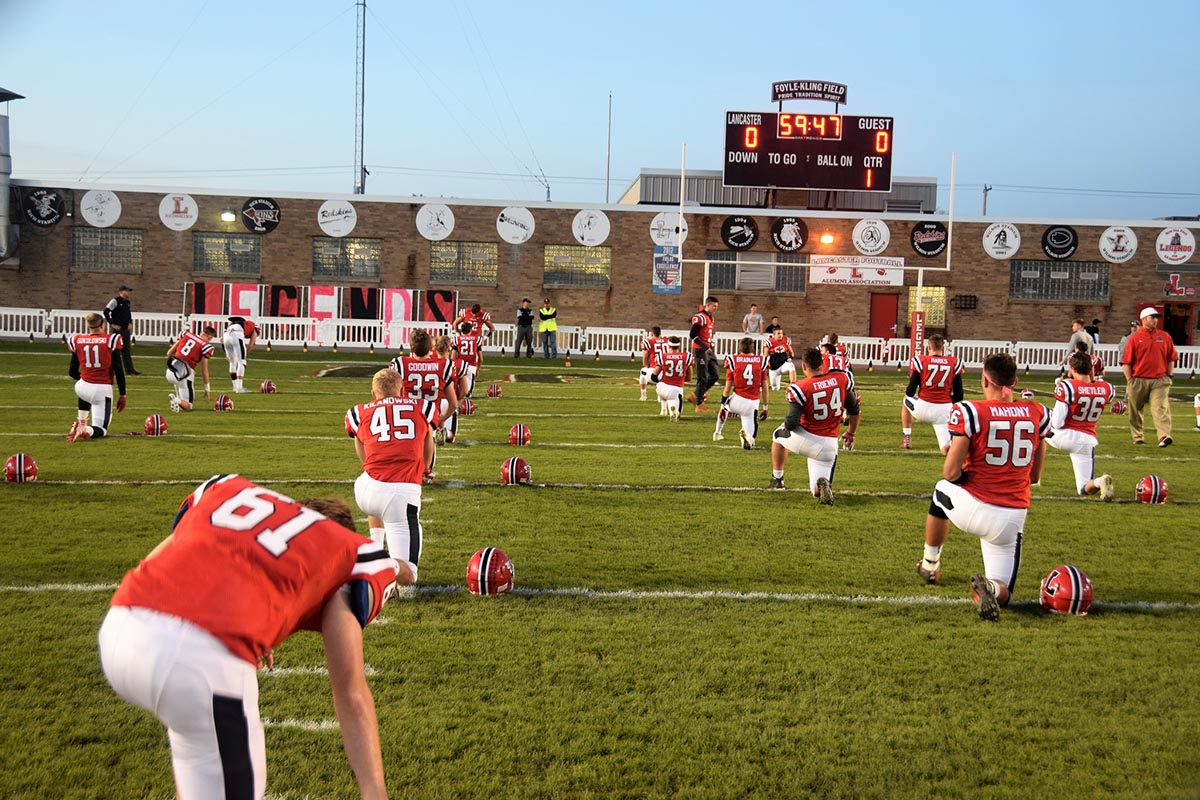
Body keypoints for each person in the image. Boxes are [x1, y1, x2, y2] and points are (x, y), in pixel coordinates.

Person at [99, 474, 398, 800]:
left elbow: (167, 555)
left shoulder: (229, 488)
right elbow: (351, 690)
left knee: (199, 765)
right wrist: (375, 790)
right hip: (202, 664)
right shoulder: (353, 553)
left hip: (121, 625)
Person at [915, 352, 1050, 622]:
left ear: (985, 379)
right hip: (1011, 519)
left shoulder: (971, 410)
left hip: (974, 508)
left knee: (941, 490)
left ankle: (930, 564)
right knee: (1005, 592)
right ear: (1014, 380)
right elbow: (1034, 476)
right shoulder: (1038, 412)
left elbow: (951, 472)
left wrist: (960, 461)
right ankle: (988, 588)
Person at [346, 368, 437, 576]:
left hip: (365, 490)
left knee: (374, 481)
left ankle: (375, 547)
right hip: (399, 497)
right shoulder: (423, 407)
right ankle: (382, 567)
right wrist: (425, 468)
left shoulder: (358, 412)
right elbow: (428, 440)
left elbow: (359, 442)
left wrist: (370, 466)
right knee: (409, 574)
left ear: (373, 394)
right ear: (402, 391)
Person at [770, 347, 860, 504]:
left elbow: (791, 423)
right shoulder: (841, 378)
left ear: (804, 366)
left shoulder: (800, 388)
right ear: (823, 363)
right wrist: (851, 433)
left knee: (777, 435)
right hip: (830, 446)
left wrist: (788, 421)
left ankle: (777, 478)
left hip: (808, 440)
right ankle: (821, 486)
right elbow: (854, 410)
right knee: (815, 491)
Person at [1047, 351, 1115, 500]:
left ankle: (1033, 477)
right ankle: (1099, 481)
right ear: (1091, 369)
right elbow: (1095, 388)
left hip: (1063, 436)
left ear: (1072, 369)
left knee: (1039, 421)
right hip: (1087, 441)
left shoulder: (1067, 386)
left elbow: (1057, 422)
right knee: (1083, 489)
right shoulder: (1106, 388)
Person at [390, 328, 458, 448]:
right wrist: (442, 419)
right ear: (431, 349)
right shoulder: (443, 366)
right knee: (427, 465)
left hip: (406, 421)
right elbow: (453, 404)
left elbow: (390, 398)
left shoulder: (400, 364)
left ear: (411, 348)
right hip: (429, 421)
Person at [1121, 305, 1177, 447]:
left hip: (1160, 379)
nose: (1155, 320)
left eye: (1156, 318)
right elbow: (1126, 361)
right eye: (1153, 317)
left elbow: (1171, 358)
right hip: (1138, 379)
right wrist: (1130, 380)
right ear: (1144, 319)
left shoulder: (1165, 337)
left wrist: (1169, 376)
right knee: (1135, 410)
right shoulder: (1134, 339)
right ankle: (1137, 436)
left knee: (1160, 408)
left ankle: (1163, 436)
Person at [66, 312, 127, 441]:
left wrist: (86, 379)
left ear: (88, 326)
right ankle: (83, 428)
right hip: (101, 389)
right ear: (103, 325)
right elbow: (118, 369)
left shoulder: (76, 340)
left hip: (81, 387)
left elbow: (72, 371)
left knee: (85, 391)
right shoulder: (111, 339)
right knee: (101, 430)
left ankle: (82, 421)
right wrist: (123, 394)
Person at [900, 333, 964, 451]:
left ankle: (907, 437)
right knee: (945, 449)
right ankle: (954, 443)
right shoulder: (954, 362)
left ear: (929, 347)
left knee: (906, 401)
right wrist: (947, 401)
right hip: (944, 412)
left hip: (923, 409)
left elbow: (910, 391)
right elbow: (959, 395)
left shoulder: (921, 360)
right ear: (943, 348)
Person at [712, 337, 769, 450]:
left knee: (724, 408)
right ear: (753, 348)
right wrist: (765, 407)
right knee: (751, 438)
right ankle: (747, 437)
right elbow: (765, 387)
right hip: (752, 404)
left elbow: (727, 387)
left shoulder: (733, 360)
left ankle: (717, 433)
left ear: (739, 348)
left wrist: (723, 404)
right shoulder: (762, 361)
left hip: (736, 401)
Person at [165, 326, 216, 412]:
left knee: (182, 399)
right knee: (189, 405)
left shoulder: (185, 334)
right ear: (210, 337)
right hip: (185, 373)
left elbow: (169, 353)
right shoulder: (206, 346)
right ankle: (176, 400)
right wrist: (207, 388)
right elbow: (204, 370)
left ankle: (177, 403)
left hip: (171, 370)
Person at [433, 334, 470, 443]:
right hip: (449, 404)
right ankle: (445, 432)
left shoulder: (429, 364)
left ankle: (436, 432)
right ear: (449, 348)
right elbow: (465, 391)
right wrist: (454, 398)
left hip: (432, 404)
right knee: (450, 438)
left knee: (428, 434)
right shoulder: (458, 364)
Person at [686, 296, 720, 412]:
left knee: (715, 375)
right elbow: (692, 335)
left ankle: (696, 395)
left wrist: (709, 345)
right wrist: (705, 347)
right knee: (703, 377)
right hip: (701, 350)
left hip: (708, 349)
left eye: (717, 306)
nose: (715, 308)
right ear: (707, 304)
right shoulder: (700, 317)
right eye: (714, 306)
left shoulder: (711, 317)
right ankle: (699, 404)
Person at [650, 336, 692, 421]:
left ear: (668, 346)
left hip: (662, 389)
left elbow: (653, 376)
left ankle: (668, 409)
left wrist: (659, 382)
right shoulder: (686, 357)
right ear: (679, 346)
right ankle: (675, 412)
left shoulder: (663, 356)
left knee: (670, 398)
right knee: (676, 400)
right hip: (676, 389)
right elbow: (689, 378)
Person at [104, 285, 140, 375]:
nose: (128, 293)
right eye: (126, 291)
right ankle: (112, 369)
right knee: (114, 350)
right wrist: (112, 324)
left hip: (125, 329)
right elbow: (106, 312)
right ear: (121, 292)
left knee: (126, 351)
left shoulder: (127, 302)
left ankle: (130, 370)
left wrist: (130, 323)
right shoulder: (115, 301)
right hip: (117, 329)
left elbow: (128, 314)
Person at [221, 316, 259, 393]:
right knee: (242, 362)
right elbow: (251, 344)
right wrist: (245, 355)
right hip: (237, 335)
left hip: (226, 337)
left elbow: (221, 339)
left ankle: (235, 387)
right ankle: (239, 387)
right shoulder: (254, 326)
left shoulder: (230, 326)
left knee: (232, 362)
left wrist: (226, 353)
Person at [639, 325, 670, 402]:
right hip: (667, 371)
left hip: (655, 370)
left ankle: (643, 396)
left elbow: (645, 357)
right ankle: (660, 397)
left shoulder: (648, 342)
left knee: (642, 372)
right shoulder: (667, 340)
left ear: (652, 333)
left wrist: (646, 366)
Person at [451, 322, 483, 398]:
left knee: (457, 391)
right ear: (470, 330)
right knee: (468, 394)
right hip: (471, 367)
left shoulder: (457, 339)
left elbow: (453, 357)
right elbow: (481, 358)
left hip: (459, 367)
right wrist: (477, 369)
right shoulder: (476, 339)